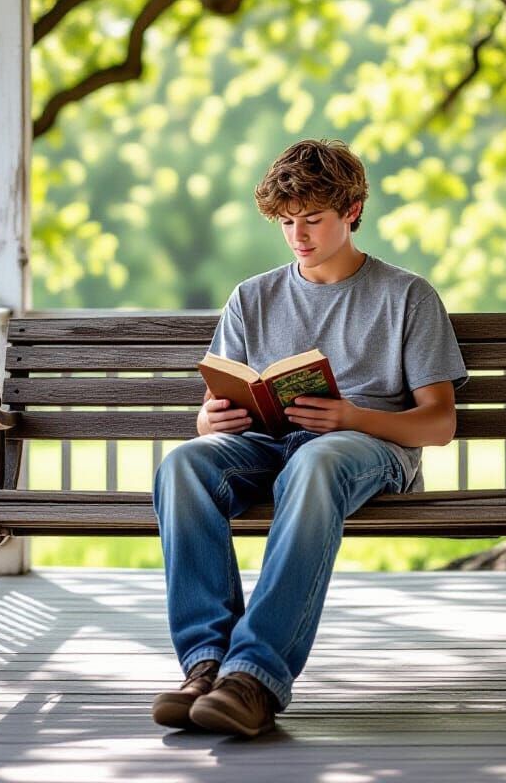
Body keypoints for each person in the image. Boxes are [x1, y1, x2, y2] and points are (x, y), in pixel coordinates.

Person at [151, 138, 468, 736]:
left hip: (367, 448)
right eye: (287, 222)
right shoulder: (252, 296)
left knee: (315, 464)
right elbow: (207, 412)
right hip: (269, 443)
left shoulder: (407, 296)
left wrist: (351, 417)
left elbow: (439, 422)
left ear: (351, 212)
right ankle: (207, 666)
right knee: (184, 466)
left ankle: (255, 678)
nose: (299, 235)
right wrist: (210, 422)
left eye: (313, 220)